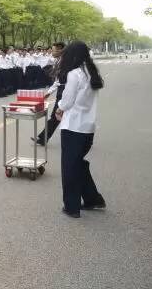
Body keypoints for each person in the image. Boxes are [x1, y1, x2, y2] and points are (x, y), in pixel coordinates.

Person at [55, 41, 106, 218]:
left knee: (70, 168)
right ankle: (93, 199)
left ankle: (71, 207)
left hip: (73, 127)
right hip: (88, 127)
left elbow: (67, 101)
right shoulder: (91, 72)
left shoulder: (74, 74)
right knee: (79, 164)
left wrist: (59, 107)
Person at [33, 42, 65, 145]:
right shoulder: (58, 61)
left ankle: (43, 139)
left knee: (56, 116)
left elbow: (62, 81)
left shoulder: (65, 62)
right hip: (61, 90)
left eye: (54, 50)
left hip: (65, 92)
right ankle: (43, 139)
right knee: (57, 117)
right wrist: (49, 92)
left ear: (60, 50)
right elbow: (58, 80)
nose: (52, 52)